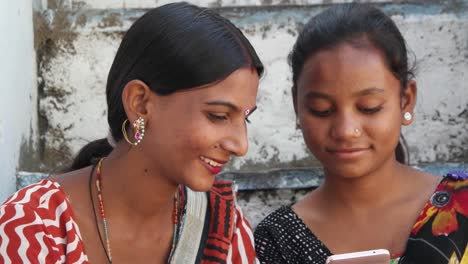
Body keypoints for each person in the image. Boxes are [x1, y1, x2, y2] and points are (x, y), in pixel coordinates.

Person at [0, 2, 264, 263]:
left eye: (245, 119)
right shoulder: (33, 228)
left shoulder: (225, 230)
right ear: (140, 103)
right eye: (218, 116)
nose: (240, 145)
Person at [254, 3, 468, 264]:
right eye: (321, 110)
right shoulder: (279, 239)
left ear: (406, 101)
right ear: (297, 106)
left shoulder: (463, 204)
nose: (346, 130)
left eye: (369, 108)